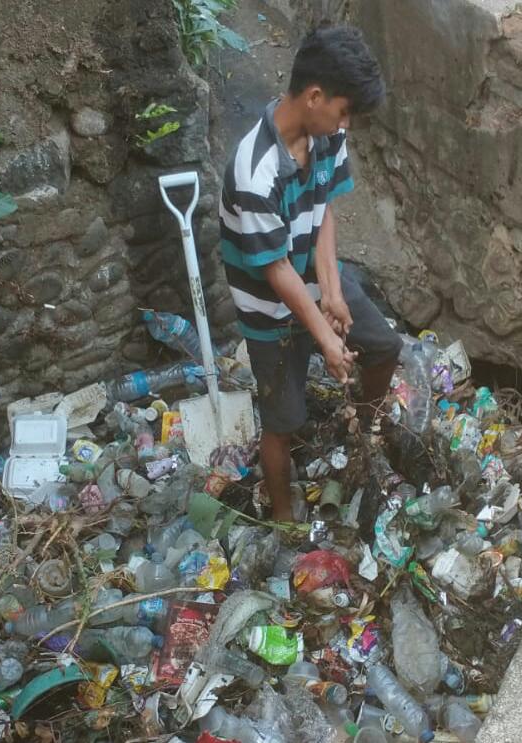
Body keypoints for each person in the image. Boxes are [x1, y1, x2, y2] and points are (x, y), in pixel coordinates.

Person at [219, 25, 402, 521]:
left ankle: (363, 433)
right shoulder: (253, 172)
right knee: (284, 421)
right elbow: (277, 269)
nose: (347, 124)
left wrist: (334, 293)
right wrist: (323, 335)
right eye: (344, 111)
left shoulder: (328, 136)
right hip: (270, 310)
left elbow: (322, 212)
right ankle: (282, 516)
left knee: (385, 346)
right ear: (315, 96)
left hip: (314, 278)